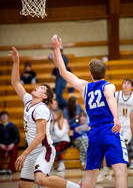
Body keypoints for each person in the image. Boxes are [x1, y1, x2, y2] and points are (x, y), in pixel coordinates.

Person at [52, 34, 129, 188]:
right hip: (109, 128)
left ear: (90, 74)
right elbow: (109, 97)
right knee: (120, 171)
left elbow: (63, 72)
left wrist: (56, 50)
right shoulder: (109, 86)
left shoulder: (84, 87)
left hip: (94, 133)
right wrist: (116, 117)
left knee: (90, 177)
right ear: (104, 72)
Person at [8, 47, 80, 188]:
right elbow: (15, 83)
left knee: (40, 179)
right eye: (39, 86)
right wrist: (16, 61)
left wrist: (24, 154)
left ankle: (77, 187)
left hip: (43, 149)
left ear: (44, 96)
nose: (38, 87)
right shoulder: (28, 100)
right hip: (32, 151)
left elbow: (41, 135)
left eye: (42, 88)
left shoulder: (41, 109)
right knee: (23, 186)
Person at [97, 78, 133, 181]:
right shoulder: (116, 95)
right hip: (116, 125)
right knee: (106, 146)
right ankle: (106, 170)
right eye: (124, 83)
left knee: (120, 148)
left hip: (127, 128)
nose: (125, 85)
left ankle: (120, 173)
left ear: (131, 86)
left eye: (128, 83)